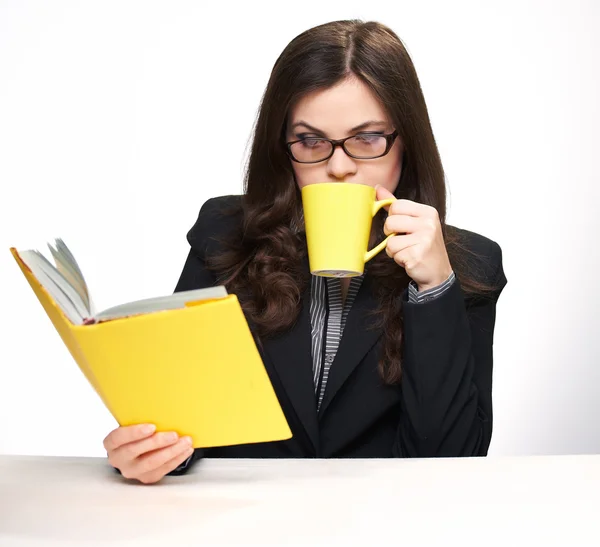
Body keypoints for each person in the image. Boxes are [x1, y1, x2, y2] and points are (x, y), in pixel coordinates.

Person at [104, 19, 507, 484]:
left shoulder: (468, 265)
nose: (339, 166)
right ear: (284, 148)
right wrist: (149, 450)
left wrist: (434, 288)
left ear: (406, 142)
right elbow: (177, 419)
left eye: (368, 138)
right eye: (311, 141)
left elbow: (452, 463)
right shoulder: (224, 235)